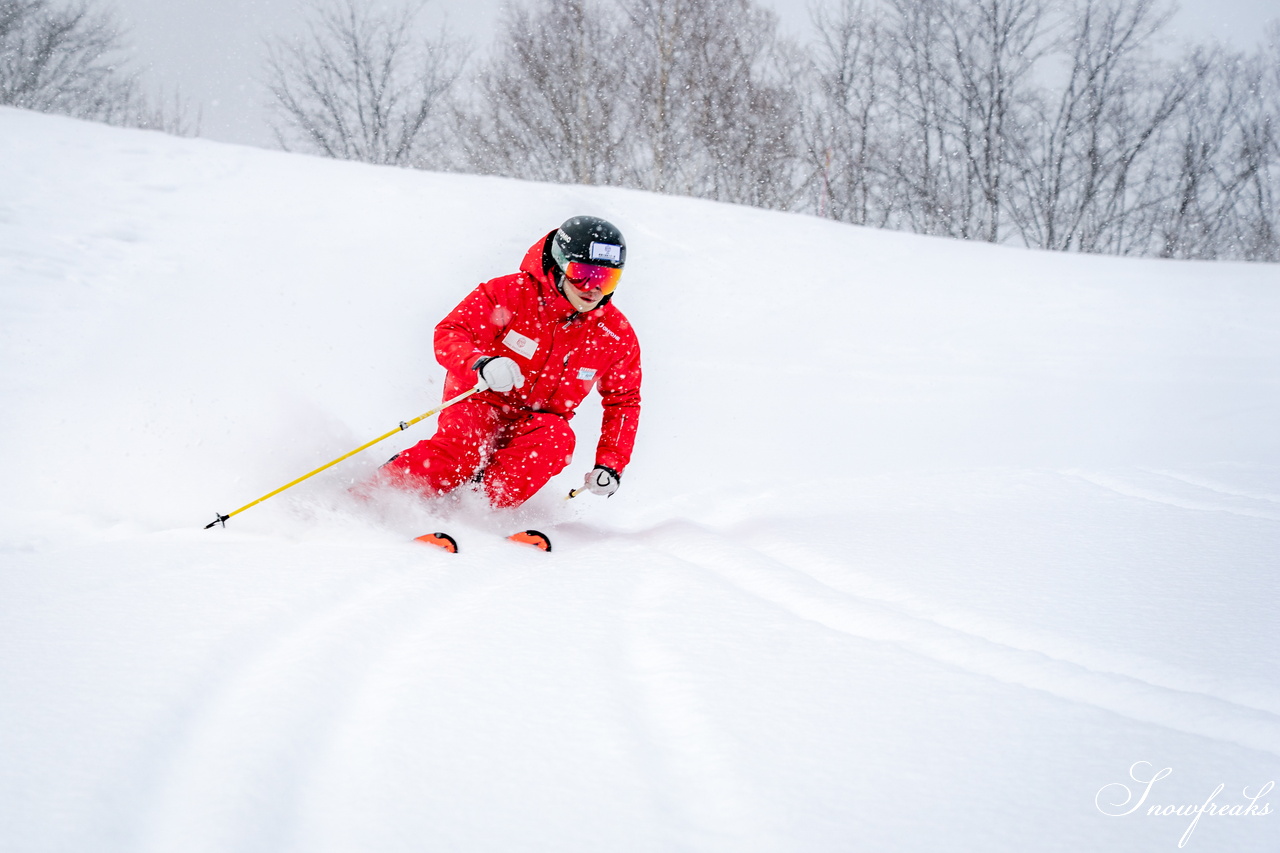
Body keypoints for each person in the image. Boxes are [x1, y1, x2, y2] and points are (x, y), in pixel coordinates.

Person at [378, 215, 642, 509]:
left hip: (539, 423)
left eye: (607, 279)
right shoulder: (510, 293)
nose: (593, 288)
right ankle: (382, 494)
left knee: (556, 440)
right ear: (559, 263)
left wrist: (611, 463)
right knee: (464, 446)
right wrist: (480, 363)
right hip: (480, 401)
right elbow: (450, 332)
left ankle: (477, 513)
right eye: (582, 273)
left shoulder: (614, 334)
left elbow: (624, 401)